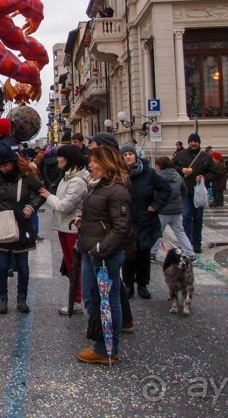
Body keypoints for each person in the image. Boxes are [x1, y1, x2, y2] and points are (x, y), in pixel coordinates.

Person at [76, 145, 131, 365]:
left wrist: (100, 249)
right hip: (93, 250)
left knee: (107, 301)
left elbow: (121, 227)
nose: (90, 165)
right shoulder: (99, 186)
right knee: (93, 298)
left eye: (94, 161)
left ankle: (107, 349)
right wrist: (84, 222)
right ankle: (100, 342)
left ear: (106, 163)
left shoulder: (117, 190)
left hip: (104, 255)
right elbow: (102, 218)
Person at [0, 145, 45, 315]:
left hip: (22, 224)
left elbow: (43, 193)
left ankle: (22, 299)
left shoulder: (27, 177)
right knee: (2, 265)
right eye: (0, 166)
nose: (3, 169)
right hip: (4, 225)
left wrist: (31, 206)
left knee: (22, 264)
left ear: (13, 163)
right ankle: (2, 299)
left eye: (6, 165)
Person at [38, 144, 89, 315]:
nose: (58, 159)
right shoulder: (68, 177)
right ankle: (76, 298)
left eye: (62, 157)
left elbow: (64, 206)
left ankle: (77, 301)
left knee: (75, 266)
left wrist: (48, 196)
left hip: (72, 228)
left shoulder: (77, 181)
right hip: (65, 227)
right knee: (70, 265)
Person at [119, 142, 170, 300]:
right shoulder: (119, 173)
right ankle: (128, 285)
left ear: (135, 155)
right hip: (127, 219)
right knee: (128, 255)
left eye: (130, 154)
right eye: (125, 155)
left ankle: (142, 285)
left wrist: (156, 205)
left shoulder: (148, 172)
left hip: (145, 219)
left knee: (143, 253)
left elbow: (165, 188)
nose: (128, 157)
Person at [172, 132, 217, 254]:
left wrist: (204, 177)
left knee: (198, 218)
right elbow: (172, 167)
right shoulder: (180, 155)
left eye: (195, 141)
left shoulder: (205, 157)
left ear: (199, 143)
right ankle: (187, 242)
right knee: (186, 217)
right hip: (185, 190)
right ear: (188, 142)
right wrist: (181, 170)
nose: (193, 143)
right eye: (191, 141)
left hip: (199, 191)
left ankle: (197, 243)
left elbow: (214, 172)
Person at [154, 156, 195, 260]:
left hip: (163, 210)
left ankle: (152, 253)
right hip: (177, 210)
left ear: (160, 166)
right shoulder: (178, 176)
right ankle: (190, 253)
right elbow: (184, 191)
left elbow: (154, 193)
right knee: (180, 233)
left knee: (157, 232)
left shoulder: (158, 177)